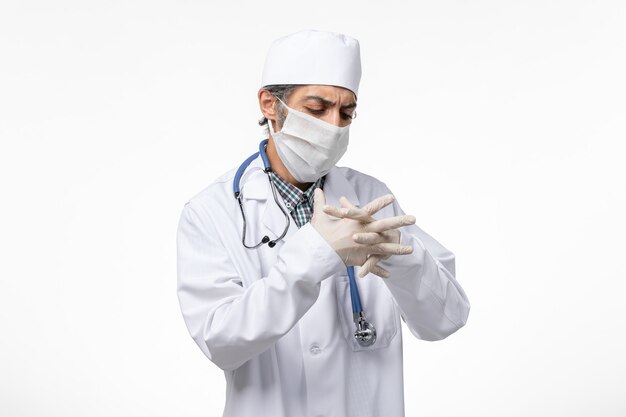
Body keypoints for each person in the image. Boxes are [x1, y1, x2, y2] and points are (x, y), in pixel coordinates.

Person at [176, 29, 470, 417]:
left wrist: (402, 256)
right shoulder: (211, 211)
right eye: (317, 109)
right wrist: (314, 255)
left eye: (346, 113)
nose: (333, 125)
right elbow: (221, 342)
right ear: (270, 104)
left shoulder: (371, 195)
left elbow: (445, 319)